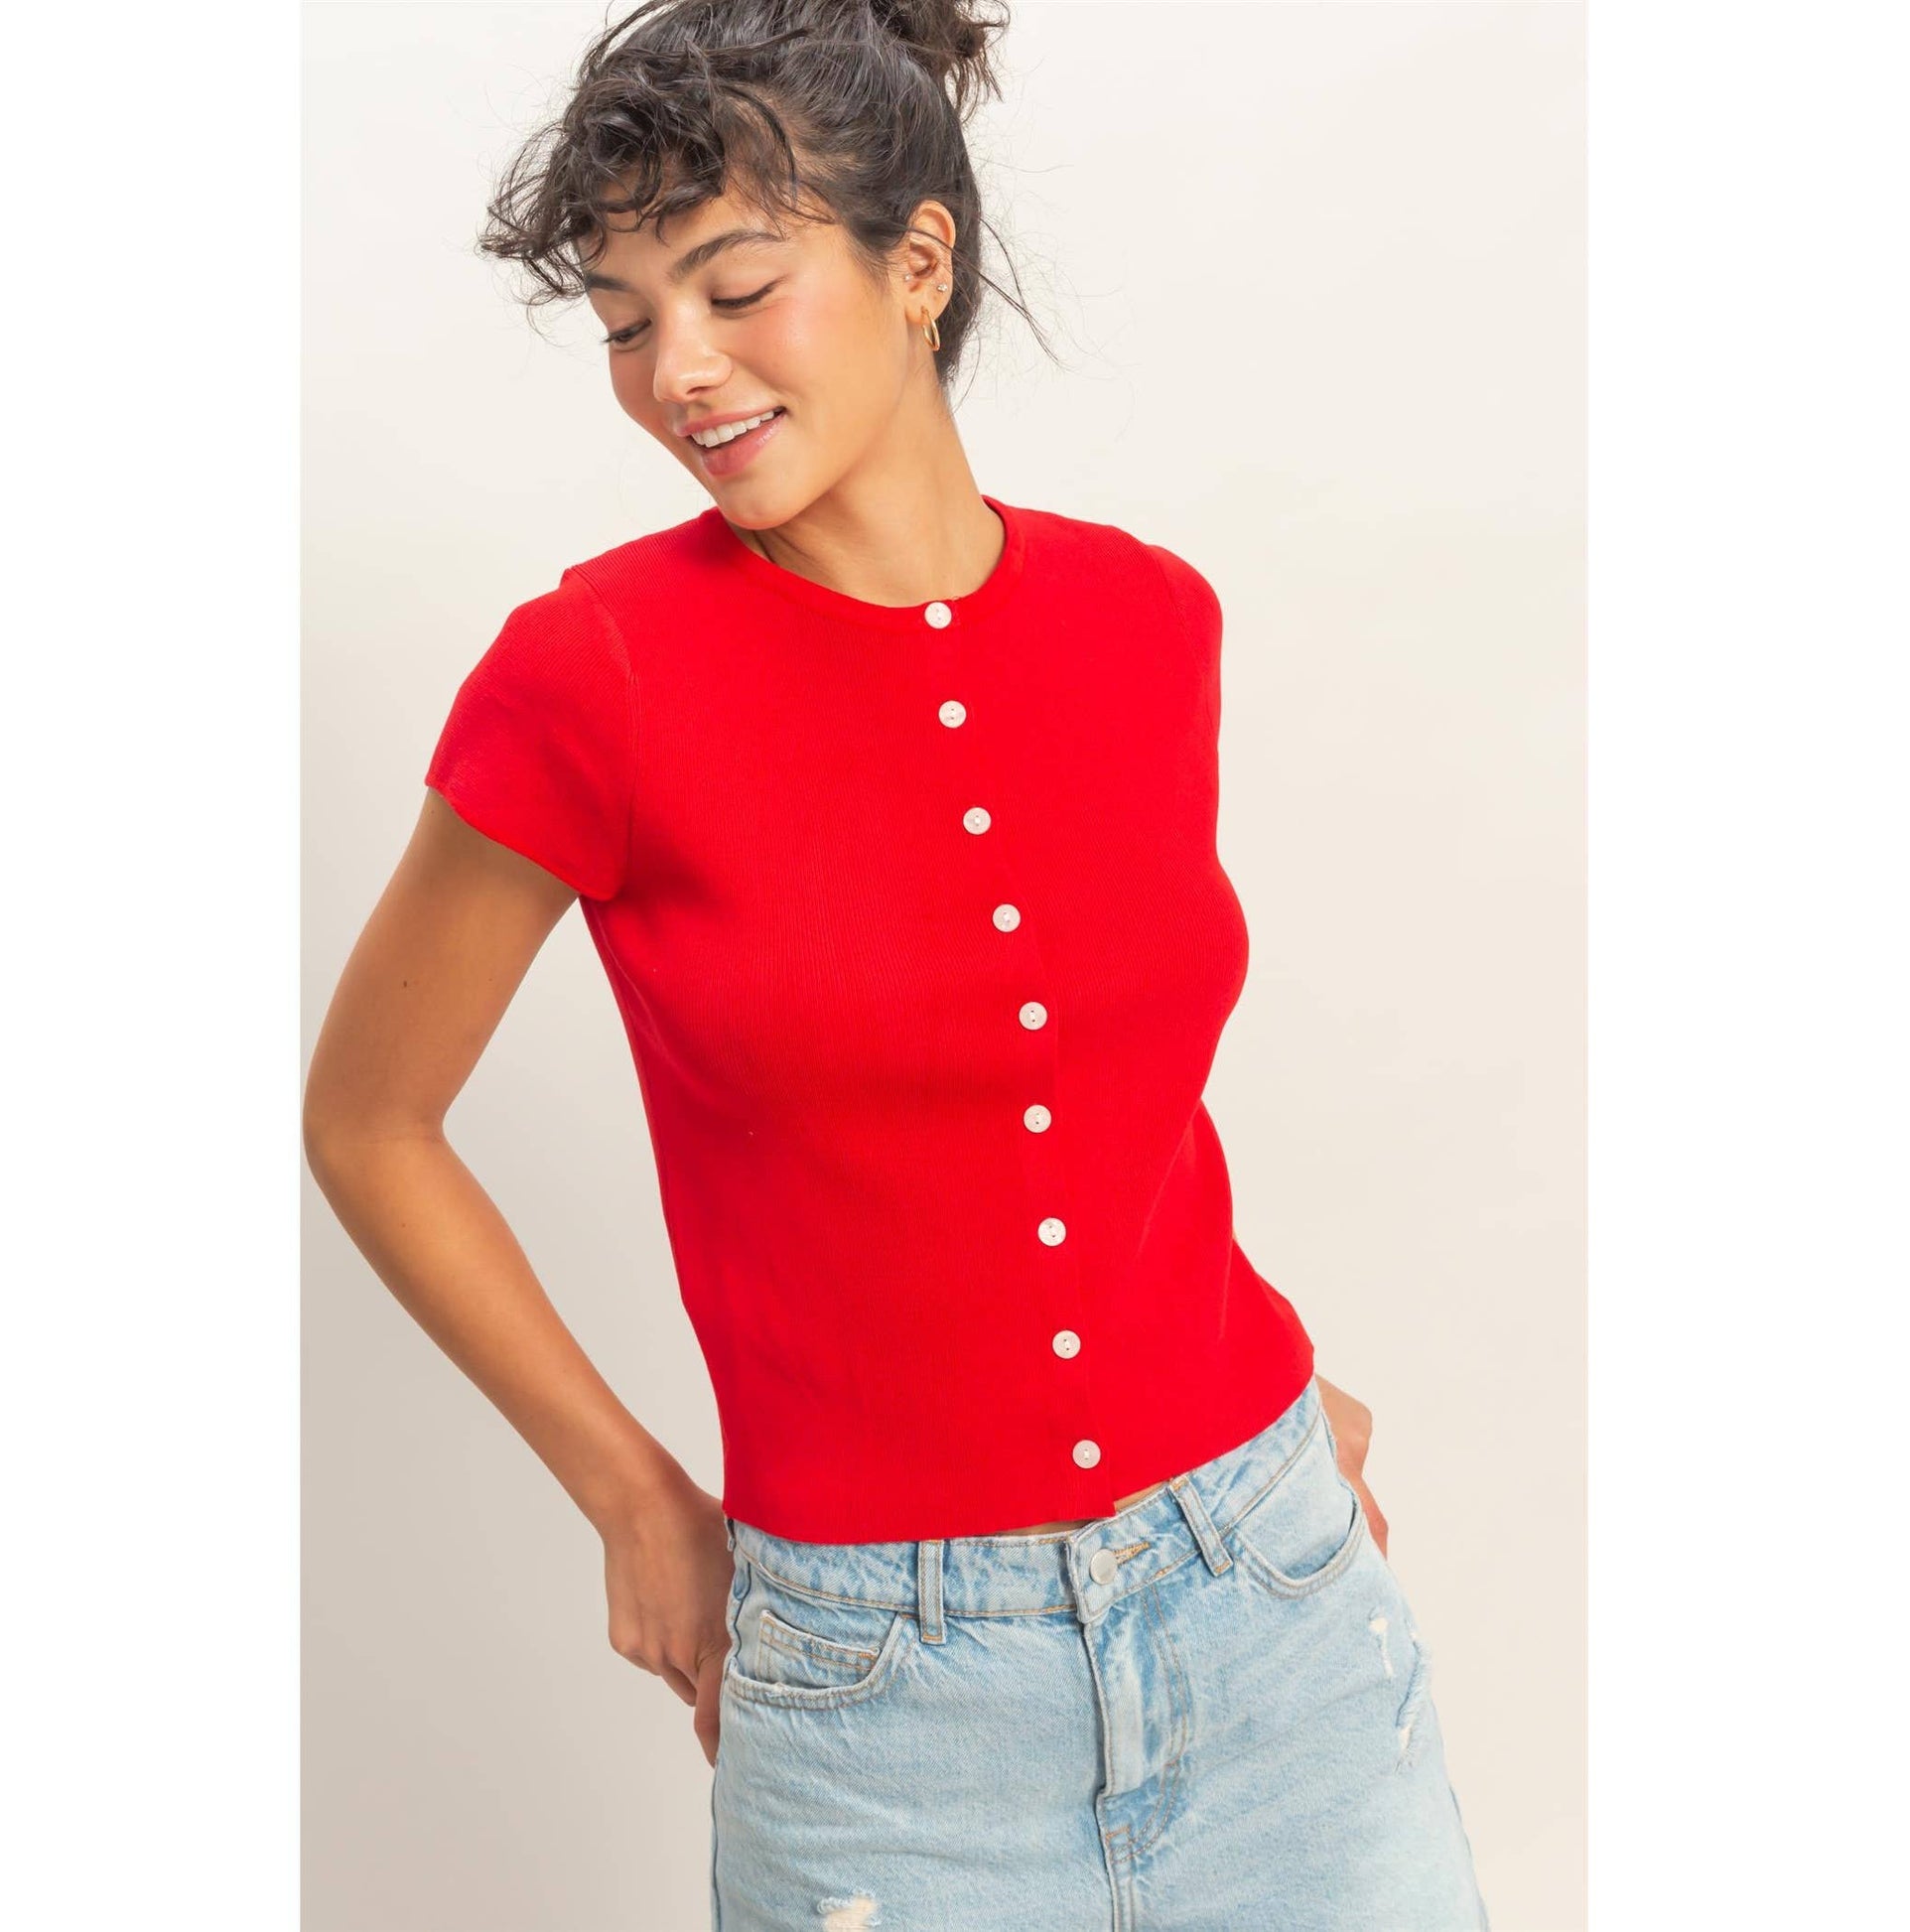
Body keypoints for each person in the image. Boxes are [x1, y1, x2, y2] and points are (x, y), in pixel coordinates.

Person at [303, 2, 1491, 1925]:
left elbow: (1094, 1091)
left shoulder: (1148, 618)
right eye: (623, 322)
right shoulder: (590, 677)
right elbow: (369, 1121)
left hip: (1274, 1602)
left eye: (732, 289)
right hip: (883, 1704)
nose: (677, 370)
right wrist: (633, 1498)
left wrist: (1243, 1385)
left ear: (916, 262)